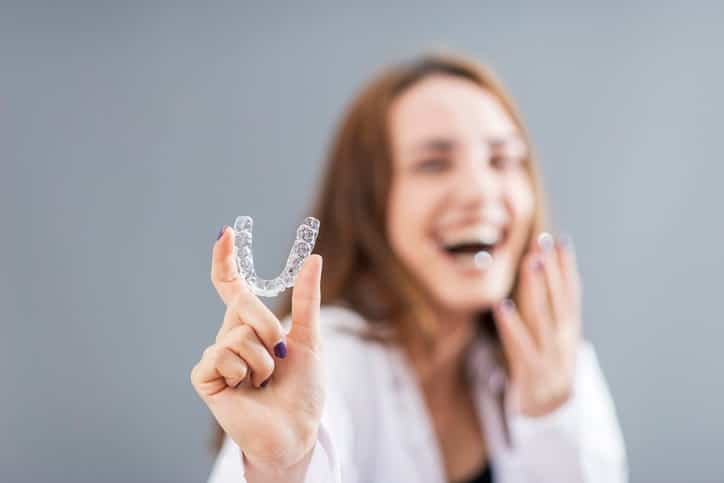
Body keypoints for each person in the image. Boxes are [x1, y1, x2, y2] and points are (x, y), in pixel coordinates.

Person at [190, 52, 627, 483]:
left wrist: (551, 414)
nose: (480, 191)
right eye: (433, 164)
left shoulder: (551, 360)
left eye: (503, 160)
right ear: (370, 204)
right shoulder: (326, 363)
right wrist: (279, 470)